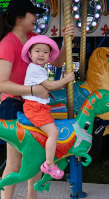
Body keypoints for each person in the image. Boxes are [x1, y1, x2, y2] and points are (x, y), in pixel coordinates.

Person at [0, 0, 69, 199]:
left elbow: (57, 62)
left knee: (36, 157)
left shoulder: (34, 38)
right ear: (19, 18)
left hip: (35, 105)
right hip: (14, 104)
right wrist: (33, 89)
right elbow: (1, 84)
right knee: (14, 163)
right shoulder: (8, 43)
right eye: (33, 14)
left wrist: (67, 41)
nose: (36, 18)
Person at [20, 35, 76, 180]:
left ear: (49, 56)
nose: (41, 54)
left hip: (39, 107)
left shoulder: (39, 68)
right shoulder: (35, 69)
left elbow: (52, 87)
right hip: (35, 108)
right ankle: (49, 163)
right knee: (53, 132)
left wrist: (64, 82)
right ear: (30, 54)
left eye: (45, 52)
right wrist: (66, 79)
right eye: (37, 51)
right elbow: (50, 86)